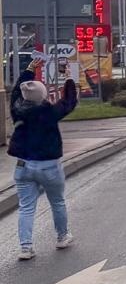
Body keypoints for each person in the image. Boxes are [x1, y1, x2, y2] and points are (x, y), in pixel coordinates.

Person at [9, 76, 77, 259]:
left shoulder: (17, 110)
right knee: (57, 202)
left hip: (23, 166)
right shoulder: (49, 112)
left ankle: (25, 247)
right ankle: (62, 237)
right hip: (49, 166)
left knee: (26, 207)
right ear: (43, 95)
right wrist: (70, 83)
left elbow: (15, 92)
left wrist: (27, 73)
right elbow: (69, 103)